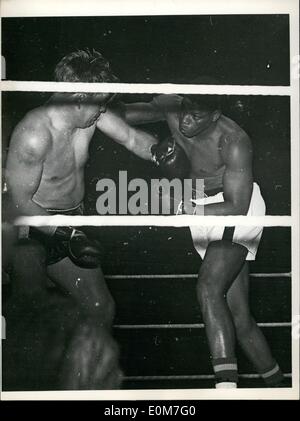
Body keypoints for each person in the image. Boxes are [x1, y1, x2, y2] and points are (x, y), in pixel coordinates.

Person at [5, 49, 158, 389]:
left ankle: (82, 388)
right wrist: (66, 231)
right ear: (77, 97)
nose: (103, 109)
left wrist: (159, 152)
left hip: (70, 223)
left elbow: (134, 138)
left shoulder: (88, 115)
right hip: (30, 228)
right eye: (98, 103)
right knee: (31, 316)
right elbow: (18, 201)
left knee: (100, 306)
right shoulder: (34, 134)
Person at [122, 93, 284, 388]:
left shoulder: (233, 140)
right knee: (239, 317)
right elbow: (125, 115)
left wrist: (181, 207)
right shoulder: (173, 107)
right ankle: (278, 386)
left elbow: (237, 204)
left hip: (234, 211)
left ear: (215, 115)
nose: (185, 120)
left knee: (208, 288)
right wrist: (97, 102)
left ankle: (225, 388)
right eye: (185, 111)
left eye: (196, 116)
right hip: (197, 207)